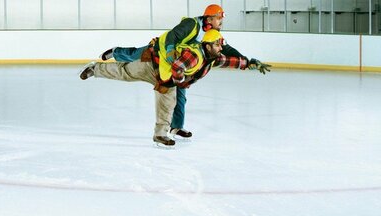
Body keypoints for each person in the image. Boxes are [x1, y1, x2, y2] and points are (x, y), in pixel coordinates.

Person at [95, 4, 270, 139]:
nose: (220, 22)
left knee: (181, 95)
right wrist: (170, 52)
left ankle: (176, 127)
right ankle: (115, 51)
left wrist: (247, 60)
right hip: (163, 51)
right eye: (218, 19)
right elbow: (172, 35)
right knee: (134, 55)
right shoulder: (192, 24)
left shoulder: (214, 35)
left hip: (183, 64)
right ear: (209, 19)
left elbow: (227, 49)